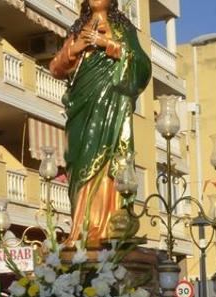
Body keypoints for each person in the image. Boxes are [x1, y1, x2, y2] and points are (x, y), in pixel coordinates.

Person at [49, 0, 151, 247]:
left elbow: (141, 63)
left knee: (108, 160)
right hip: (82, 107)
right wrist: (76, 48)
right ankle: (82, 227)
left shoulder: (122, 27)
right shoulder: (77, 29)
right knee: (80, 158)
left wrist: (108, 44)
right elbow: (55, 67)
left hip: (112, 105)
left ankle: (106, 227)